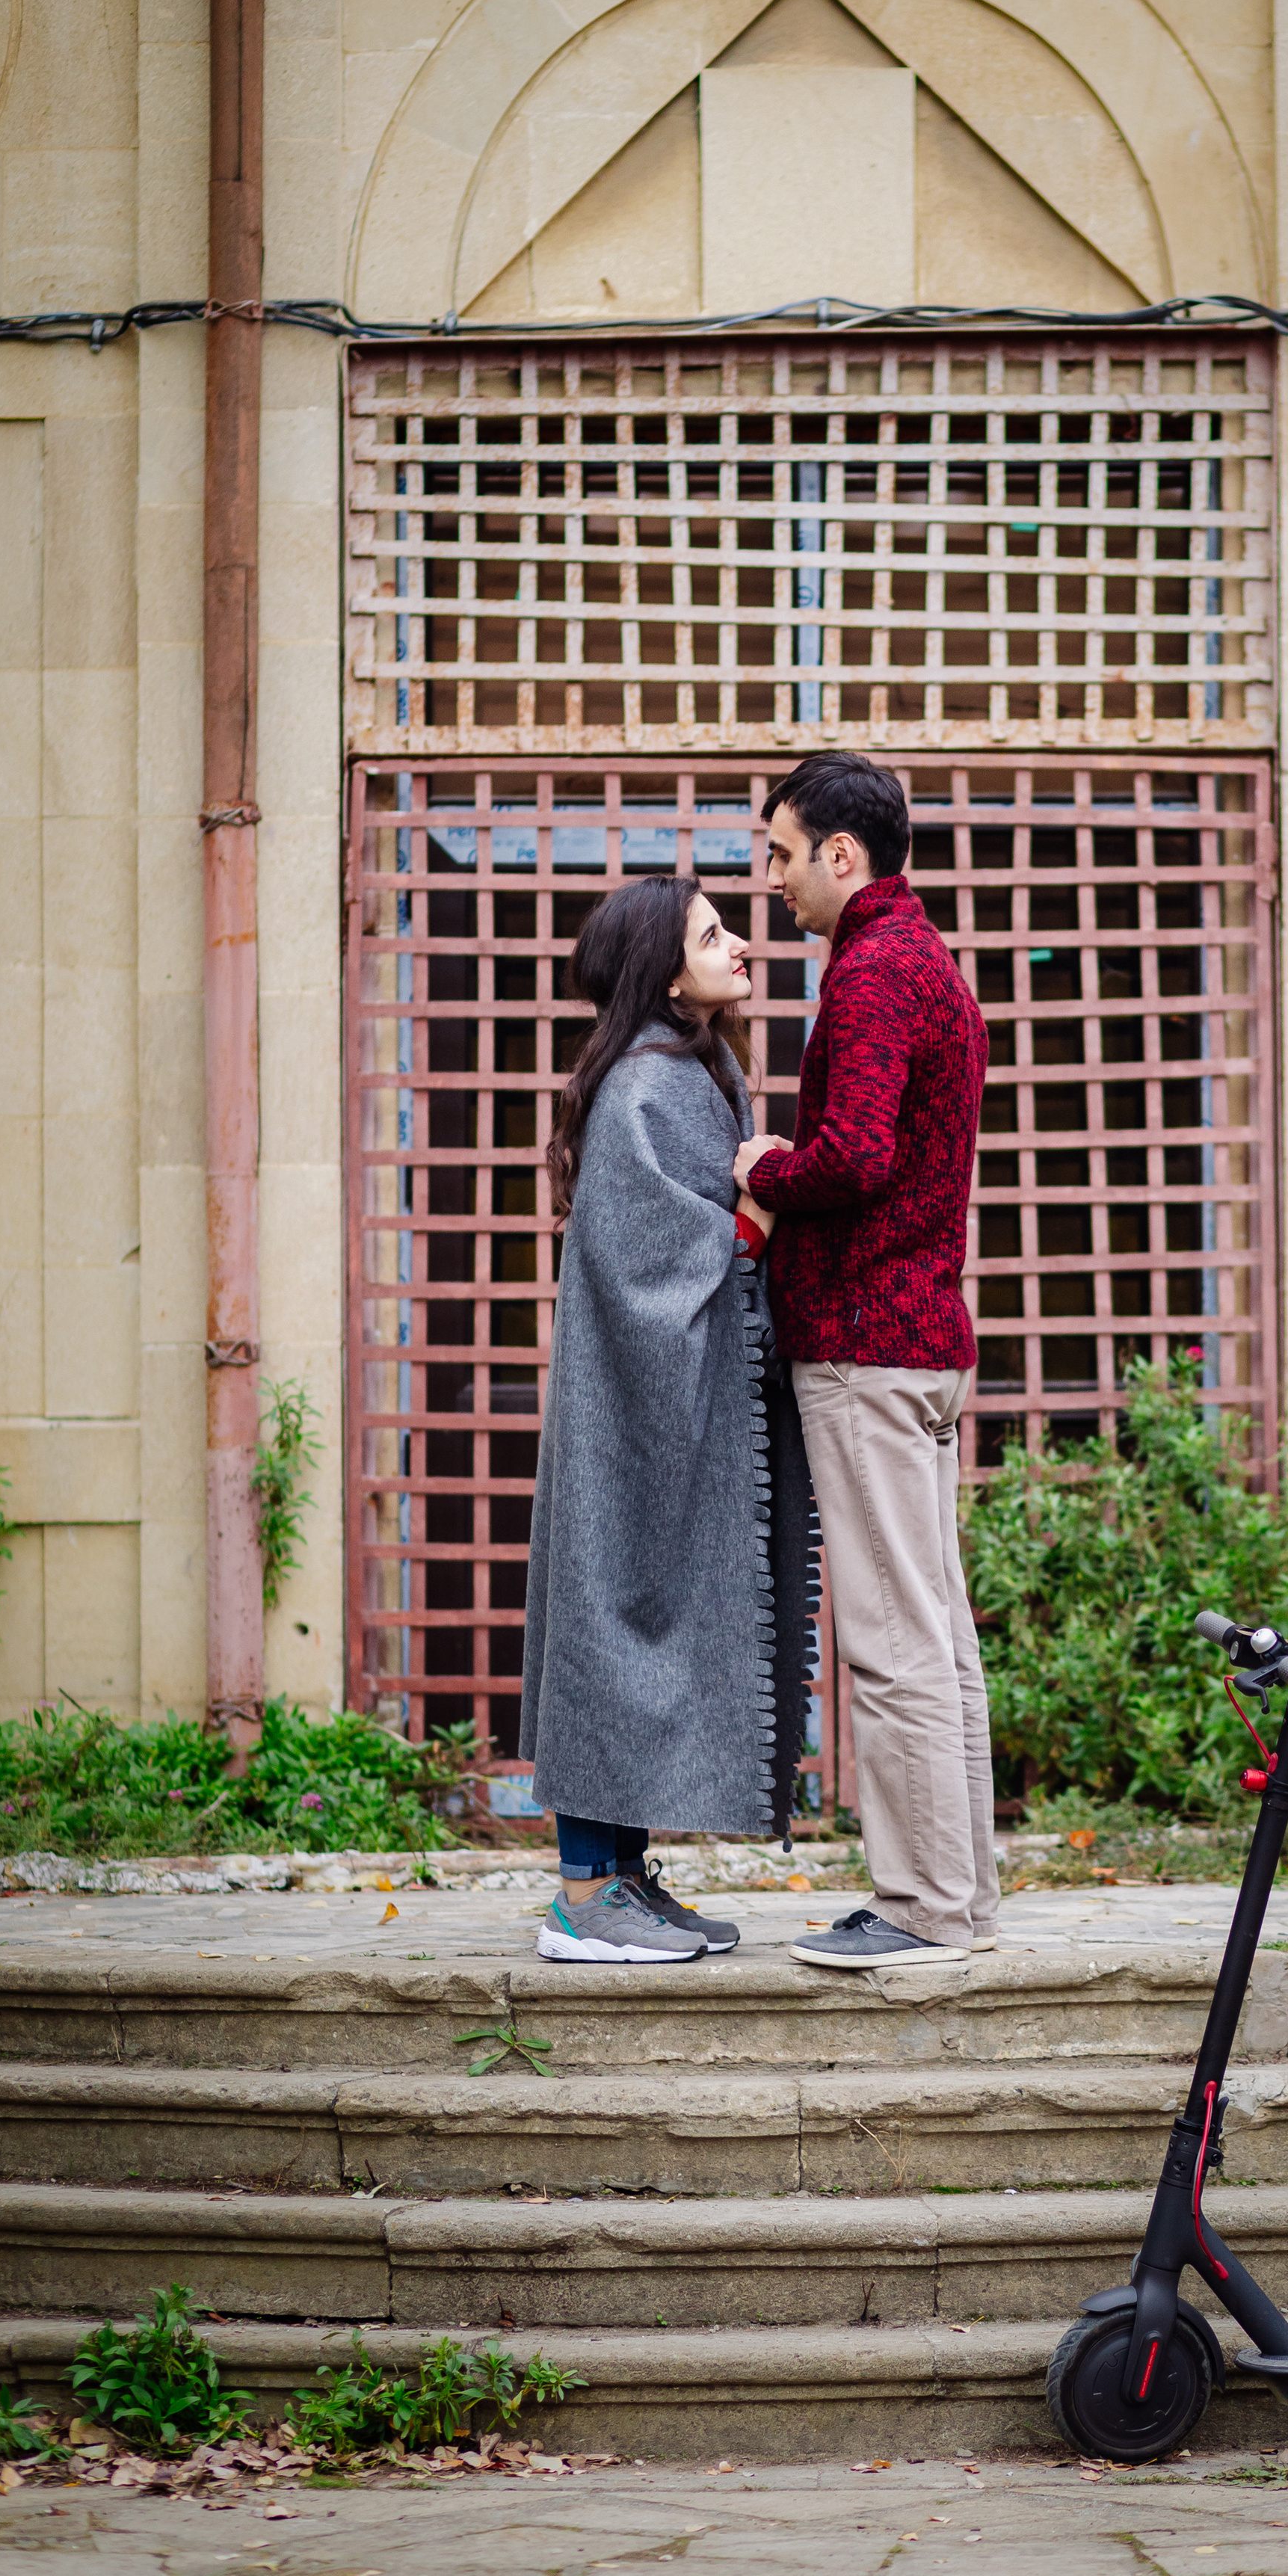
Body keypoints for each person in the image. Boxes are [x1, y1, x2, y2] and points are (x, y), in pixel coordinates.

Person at [520, 876, 816, 1965]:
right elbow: (645, 1262)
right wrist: (756, 1210)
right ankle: (582, 1897)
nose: (740, 945)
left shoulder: (693, 1071)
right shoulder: (647, 1087)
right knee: (610, 1624)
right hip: (629, 1413)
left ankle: (623, 1878)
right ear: (663, 971)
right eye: (711, 934)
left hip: (664, 1408)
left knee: (635, 1623)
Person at [733, 752, 993, 1970]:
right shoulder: (922, 958)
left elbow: (854, 1155)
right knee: (936, 1635)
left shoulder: (877, 968)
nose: (770, 879)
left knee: (893, 1641)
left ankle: (923, 1905)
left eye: (782, 854)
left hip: (869, 1348)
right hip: (918, 1341)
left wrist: (763, 1167)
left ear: (843, 854)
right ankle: (960, 1897)